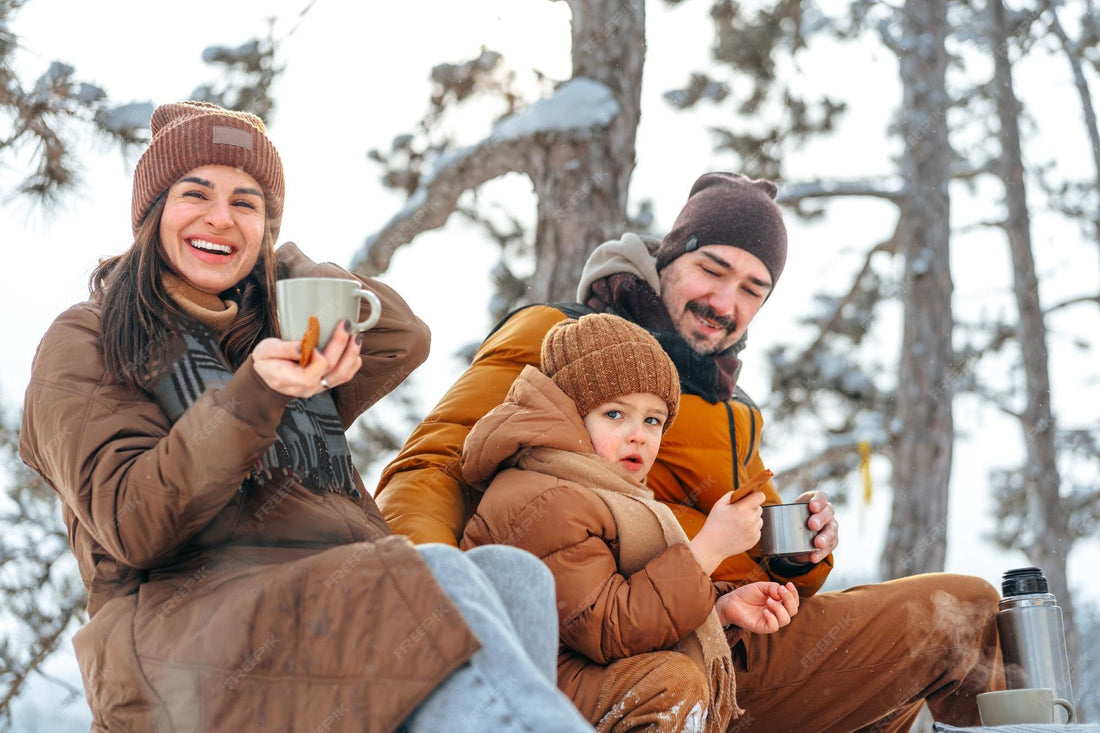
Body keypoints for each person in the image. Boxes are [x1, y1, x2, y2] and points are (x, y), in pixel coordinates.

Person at [19, 101, 592, 733]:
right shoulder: (87, 337)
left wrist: (280, 272)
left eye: (247, 202)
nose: (220, 217)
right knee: (428, 578)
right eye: (196, 193)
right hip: (184, 639)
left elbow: (403, 334)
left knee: (515, 578)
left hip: (328, 597)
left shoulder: (281, 334)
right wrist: (253, 394)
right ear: (152, 212)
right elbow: (133, 523)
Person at [376, 172, 1005, 731]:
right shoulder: (561, 338)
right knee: (963, 611)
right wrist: (429, 598)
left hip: (738, 626)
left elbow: (759, 535)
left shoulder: (732, 409)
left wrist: (801, 550)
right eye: (712, 270)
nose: (726, 304)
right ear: (668, 256)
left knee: (928, 663)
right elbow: (434, 465)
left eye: (753, 289)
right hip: (627, 636)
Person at [460, 313, 800, 732]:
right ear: (570, 412)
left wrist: (719, 609)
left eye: (652, 420)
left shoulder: (601, 488)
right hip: (520, 692)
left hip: (569, 678)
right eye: (615, 414)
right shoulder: (544, 493)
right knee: (668, 683)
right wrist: (708, 550)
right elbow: (607, 629)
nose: (638, 434)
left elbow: (626, 604)